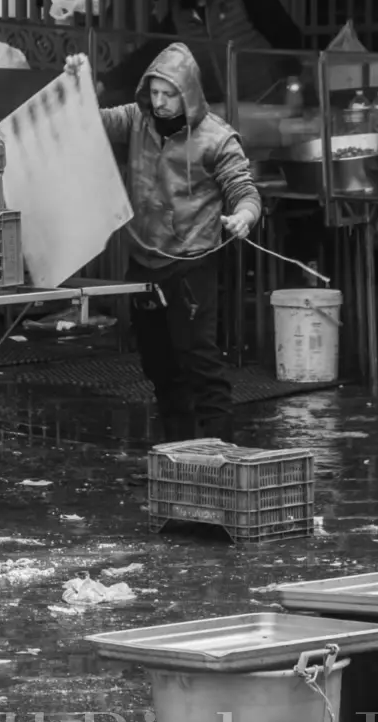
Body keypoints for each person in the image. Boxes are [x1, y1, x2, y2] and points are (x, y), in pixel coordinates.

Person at [66, 44, 261, 444]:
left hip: (190, 265)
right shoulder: (137, 121)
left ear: (186, 93)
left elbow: (245, 190)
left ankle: (221, 456)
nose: (159, 102)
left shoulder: (216, 138)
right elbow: (89, 121)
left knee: (199, 364)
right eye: (154, 93)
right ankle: (177, 455)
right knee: (159, 367)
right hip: (143, 262)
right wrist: (79, 82)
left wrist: (244, 217)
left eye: (167, 95)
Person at [121, 0, 302, 103]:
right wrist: (107, 81)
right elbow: (151, 53)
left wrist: (293, 86)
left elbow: (288, 38)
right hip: (222, 113)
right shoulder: (179, 17)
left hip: (268, 104)